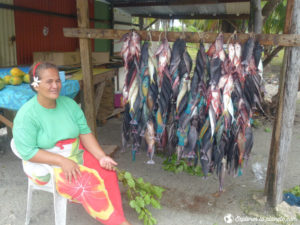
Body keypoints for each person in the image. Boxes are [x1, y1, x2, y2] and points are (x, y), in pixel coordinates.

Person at [13, 62, 131, 225]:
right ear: (36, 85)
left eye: (58, 80)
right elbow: (28, 152)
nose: (55, 86)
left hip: (73, 154)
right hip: (44, 163)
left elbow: (84, 133)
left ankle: (115, 219)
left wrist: (102, 157)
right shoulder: (26, 115)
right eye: (49, 82)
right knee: (87, 184)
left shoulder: (69, 105)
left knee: (108, 173)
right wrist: (62, 161)